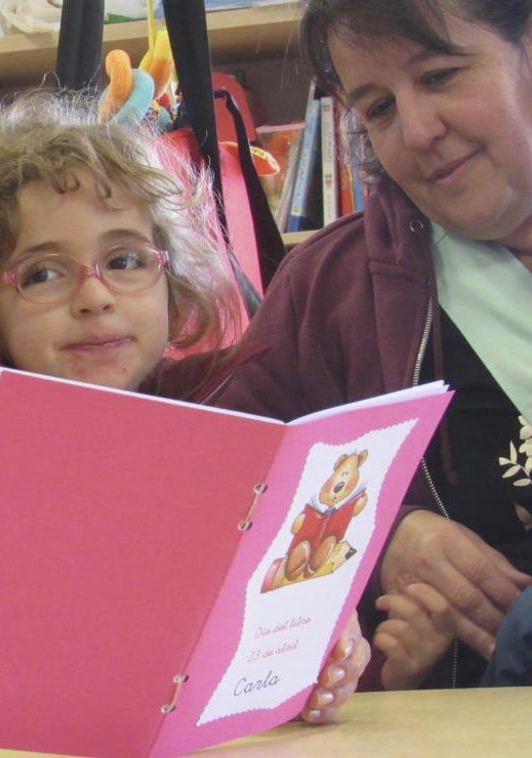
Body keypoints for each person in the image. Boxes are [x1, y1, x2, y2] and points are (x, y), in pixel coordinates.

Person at [0, 91, 368, 723]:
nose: (94, 297)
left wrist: (317, 639)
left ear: (174, 281)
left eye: (126, 261)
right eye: (43, 274)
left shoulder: (234, 422)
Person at [212, 0, 532, 689]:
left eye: (441, 77)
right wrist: (375, 533)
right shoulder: (330, 291)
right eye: (379, 108)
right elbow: (223, 486)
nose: (418, 131)